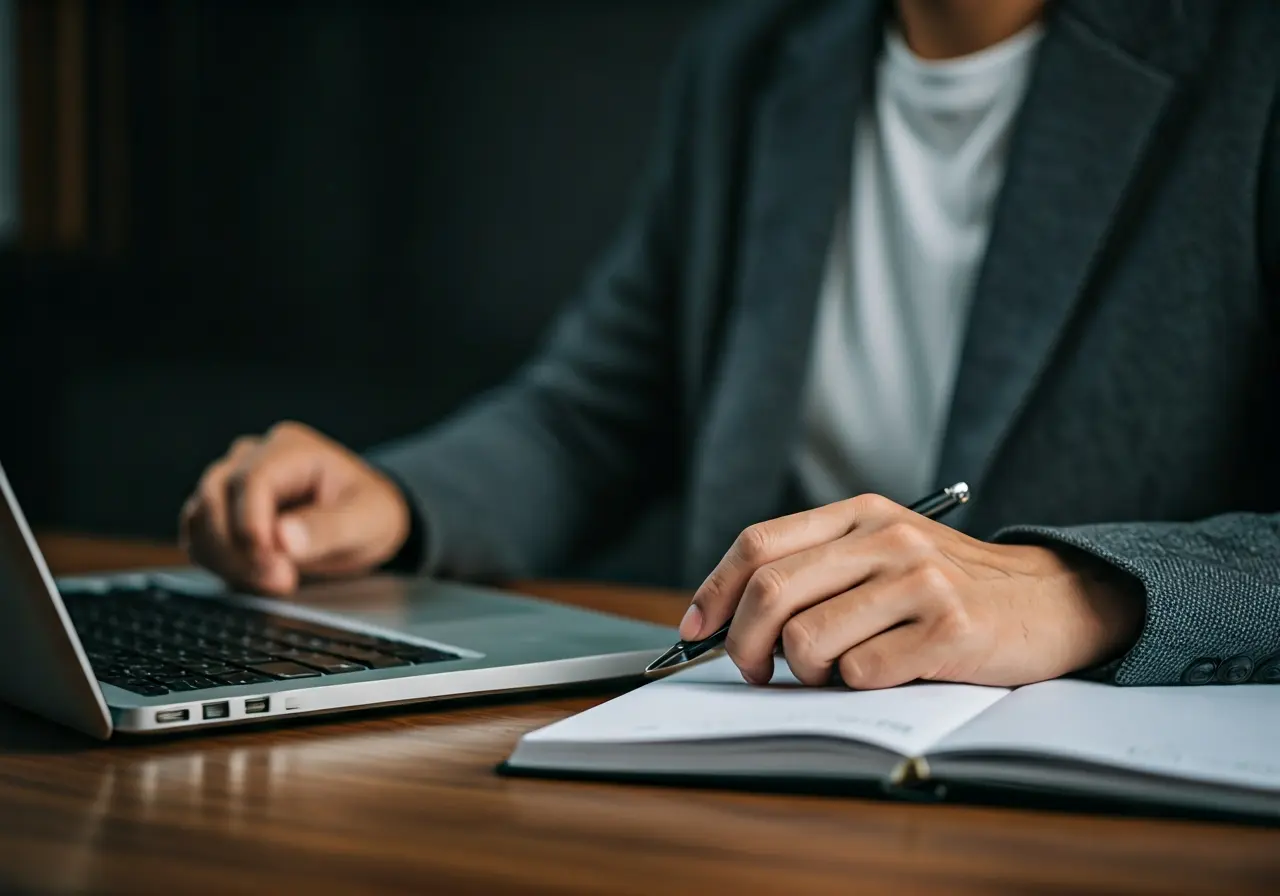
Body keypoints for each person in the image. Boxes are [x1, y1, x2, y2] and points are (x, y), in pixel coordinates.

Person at [180, 0, 1280, 691]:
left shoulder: (1249, 60)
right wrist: (397, 498)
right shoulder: (755, 56)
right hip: (757, 741)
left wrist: (1072, 592)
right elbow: (593, 414)